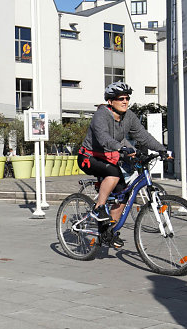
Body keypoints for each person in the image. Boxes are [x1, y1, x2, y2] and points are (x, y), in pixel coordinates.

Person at [78, 81, 166, 248]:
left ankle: (108, 232)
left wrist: (162, 150)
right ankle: (99, 207)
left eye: (127, 98)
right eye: (120, 99)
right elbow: (103, 138)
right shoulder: (101, 115)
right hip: (88, 156)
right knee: (114, 173)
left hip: (110, 157)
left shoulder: (129, 116)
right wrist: (121, 147)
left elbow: (143, 136)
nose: (125, 101)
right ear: (111, 102)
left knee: (123, 194)